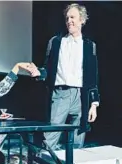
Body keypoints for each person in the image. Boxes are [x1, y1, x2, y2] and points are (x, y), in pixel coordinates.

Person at [27, 3, 100, 150]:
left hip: (81, 96)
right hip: (60, 94)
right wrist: (39, 73)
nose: (69, 21)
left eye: (72, 17)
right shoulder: (55, 42)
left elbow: (93, 77)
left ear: (82, 20)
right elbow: (47, 69)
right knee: (50, 138)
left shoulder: (89, 45)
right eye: (67, 18)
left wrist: (94, 104)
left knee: (78, 139)